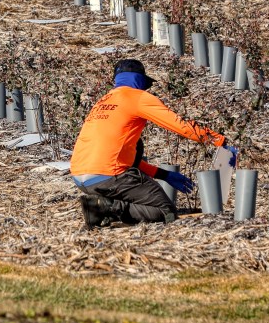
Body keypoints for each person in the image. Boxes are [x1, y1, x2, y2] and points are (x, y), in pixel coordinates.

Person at [70, 59, 238, 227]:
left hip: (81, 178)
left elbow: (120, 155)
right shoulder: (139, 97)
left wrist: (163, 175)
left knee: (136, 144)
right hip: (107, 177)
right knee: (165, 211)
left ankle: (101, 203)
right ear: (139, 80)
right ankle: (108, 208)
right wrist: (219, 140)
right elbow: (182, 127)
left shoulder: (102, 101)